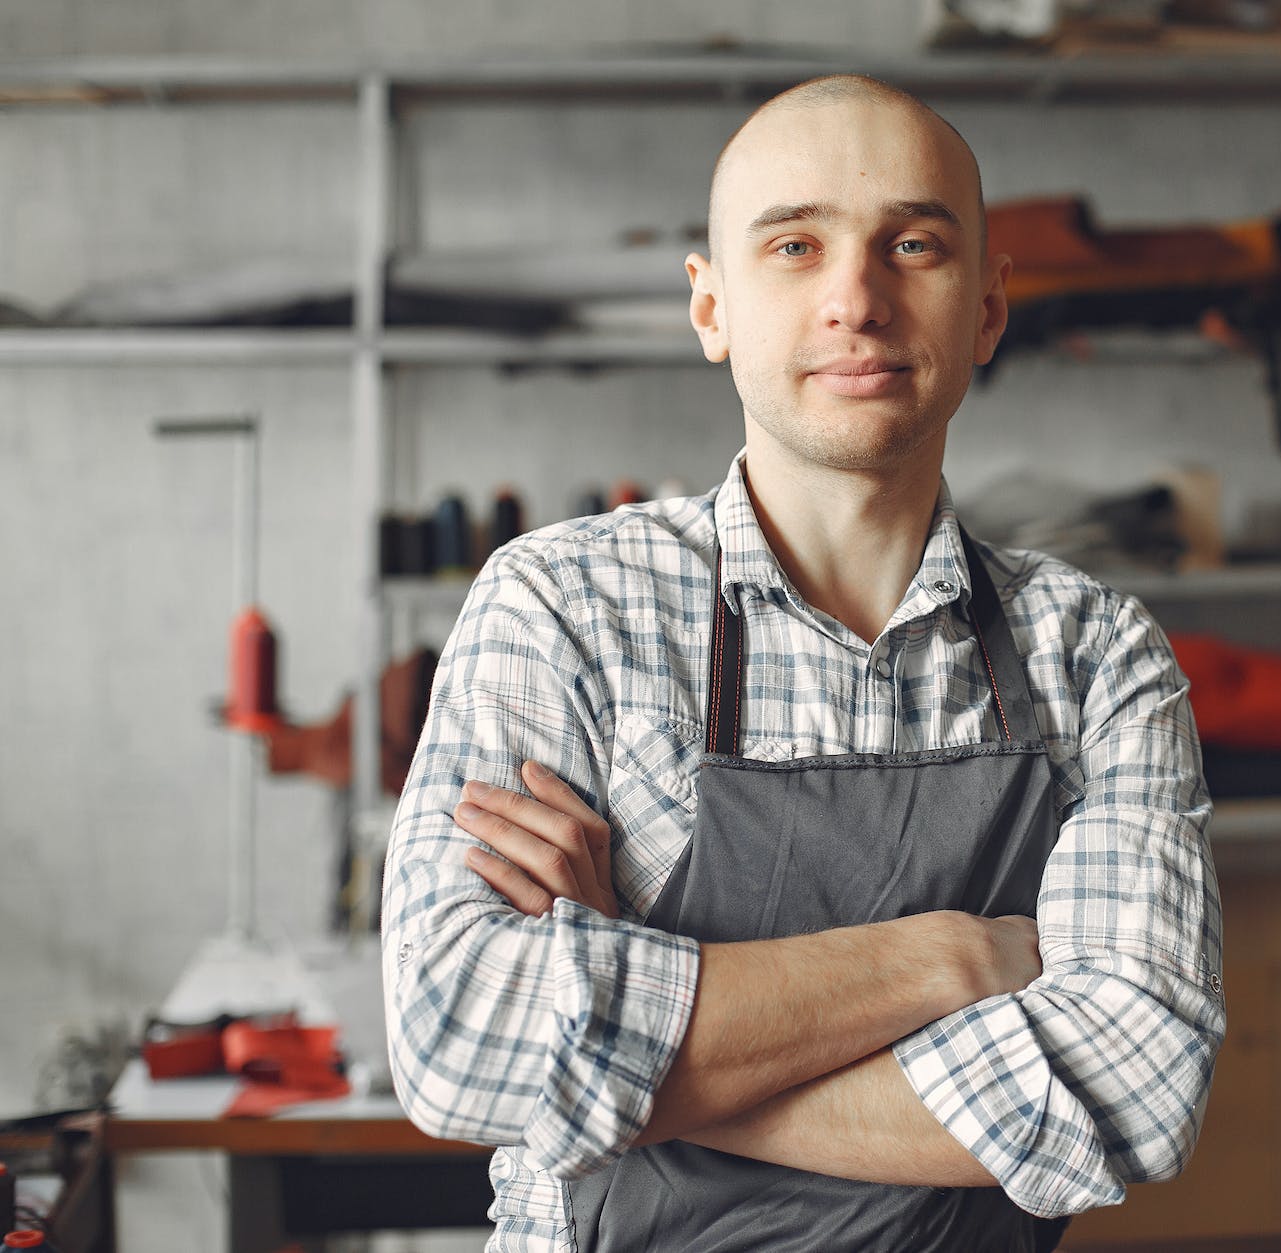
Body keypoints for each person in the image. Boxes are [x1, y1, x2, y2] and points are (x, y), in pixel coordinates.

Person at [381, 73, 1225, 1252]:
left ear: (985, 309)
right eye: (794, 244)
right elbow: (456, 1044)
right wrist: (951, 956)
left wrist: (633, 1043)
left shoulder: (1093, 655)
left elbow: (1133, 1093)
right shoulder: (562, 606)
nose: (856, 299)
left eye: (912, 243)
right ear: (711, 305)